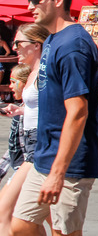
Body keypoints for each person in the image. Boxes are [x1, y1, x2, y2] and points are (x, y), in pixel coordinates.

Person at [12, 0, 98, 236]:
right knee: (21, 226)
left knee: (64, 233)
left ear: (58, 0)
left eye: (36, 0)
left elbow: (78, 112)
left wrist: (58, 172)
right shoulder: (52, 39)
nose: (30, 6)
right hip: (45, 156)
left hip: (70, 163)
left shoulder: (74, 45)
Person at [0, 24, 50, 235]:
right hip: (31, 148)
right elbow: (36, 108)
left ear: (36, 45)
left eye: (19, 43)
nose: (14, 48)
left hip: (38, 148)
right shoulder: (34, 73)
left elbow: (58, 111)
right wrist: (20, 110)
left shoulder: (45, 74)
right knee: (33, 220)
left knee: (6, 214)